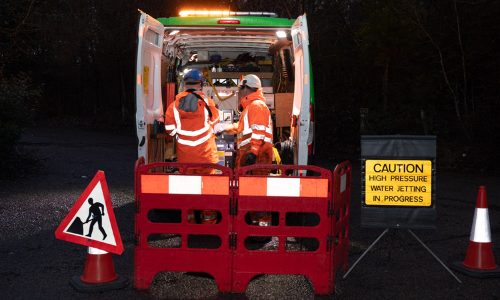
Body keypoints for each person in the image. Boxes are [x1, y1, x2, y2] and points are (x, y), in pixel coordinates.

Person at [216, 74, 273, 226]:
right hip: (253, 154)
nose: (240, 92)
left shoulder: (256, 106)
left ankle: (262, 228)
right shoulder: (251, 107)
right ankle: (254, 226)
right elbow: (242, 129)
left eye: (241, 89)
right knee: (252, 192)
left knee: (258, 193)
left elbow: (259, 131)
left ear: (247, 88)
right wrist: (223, 128)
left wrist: (253, 152)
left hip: (257, 155)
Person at [164, 69, 220, 225]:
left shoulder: (174, 106)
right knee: (208, 191)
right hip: (206, 157)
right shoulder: (208, 102)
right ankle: (209, 225)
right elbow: (215, 121)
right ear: (200, 84)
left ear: (184, 85)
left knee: (188, 191)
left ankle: (188, 224)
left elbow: (169, 129)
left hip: (185, 158)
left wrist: (181, 133)